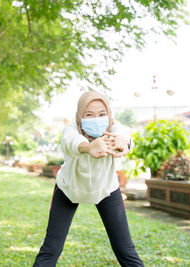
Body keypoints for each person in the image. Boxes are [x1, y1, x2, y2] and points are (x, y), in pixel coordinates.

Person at [33, 91, 144, 267]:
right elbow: (71, 142)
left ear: (108, 114)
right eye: (89, 114)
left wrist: (124, 142)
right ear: (80, 115)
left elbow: (125, 135)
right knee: (51, 248)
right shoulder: (71, 129)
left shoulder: (114, 129)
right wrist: (89, 147)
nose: (96, 118)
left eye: (102, 114)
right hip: (69, 189)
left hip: (106, 190)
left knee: (125, 249)